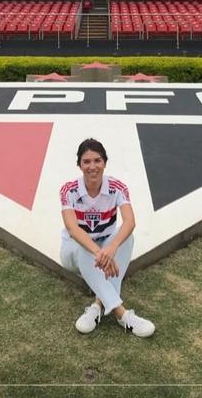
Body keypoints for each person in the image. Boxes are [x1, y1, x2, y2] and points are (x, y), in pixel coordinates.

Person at [60, 138, 155, 337]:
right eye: (86, 162)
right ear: (79, 165)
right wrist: (101, 252)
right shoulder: (69, 190)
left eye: (97, 160)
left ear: (105, 162)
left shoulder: (117, 187)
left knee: (127, 237)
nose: (92, 166)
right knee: (84, 245)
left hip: (103, 246)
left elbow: (130, 221)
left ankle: (96, 306)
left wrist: (111, 247)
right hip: (74, 252)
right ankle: (122, 314)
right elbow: (72, 229)